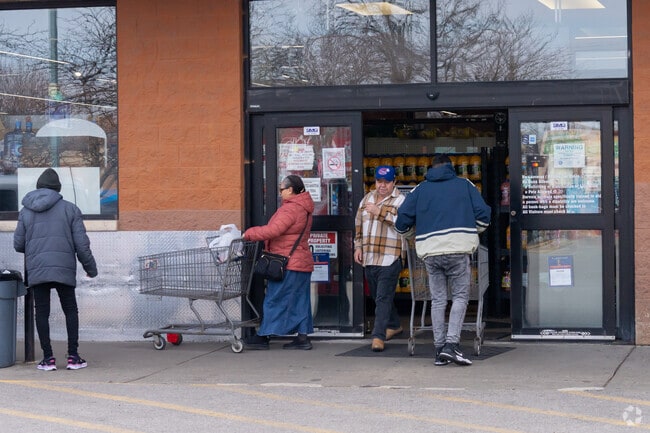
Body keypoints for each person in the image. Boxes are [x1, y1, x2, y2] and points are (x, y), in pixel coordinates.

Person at [395, 155, 490, 366]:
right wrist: (472, 232)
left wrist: (412, 235)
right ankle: (451, 345)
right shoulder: (464, 185)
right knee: (460, 297)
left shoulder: (420, 188)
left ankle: (439, 350)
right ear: (451, 167)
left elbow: (401, 221)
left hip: (430, 252)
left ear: (432, 168)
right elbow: (484, 215)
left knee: (438, 300)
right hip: (458, 250)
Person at [14, 168, 98, 371]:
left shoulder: (25, 211)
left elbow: (18, 245)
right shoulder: (70, 209)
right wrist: (91, 268)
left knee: (41, 312)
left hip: (38, 269)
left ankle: (48, 359)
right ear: (58, 189)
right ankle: (73, 357)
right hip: (63, 268)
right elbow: (82, 245)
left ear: (38, 188)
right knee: (70, 310)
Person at [243, 175, 315, 350]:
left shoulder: (290, 209)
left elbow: (273, 230)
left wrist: (248, 233)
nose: (280, 192)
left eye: (282, 189)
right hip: (301, 261)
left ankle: (264, 336)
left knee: (274, 299)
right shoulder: (304, 207)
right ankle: (303, 338)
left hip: (287, 262)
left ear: (290, 190)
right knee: (300, 301)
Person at [354, 165, 405, 352]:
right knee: (377, 296)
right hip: (370, 256)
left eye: (386, 182)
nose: (382, 186)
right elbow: (358, 226)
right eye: (379, 181)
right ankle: (394, 324)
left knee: (383, 297)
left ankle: (378, 335)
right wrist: (358, 247)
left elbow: (402, 225)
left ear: (394, 182)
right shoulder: (366, 199)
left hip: (390, 256)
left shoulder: (400, 200)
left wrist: (380, 212)